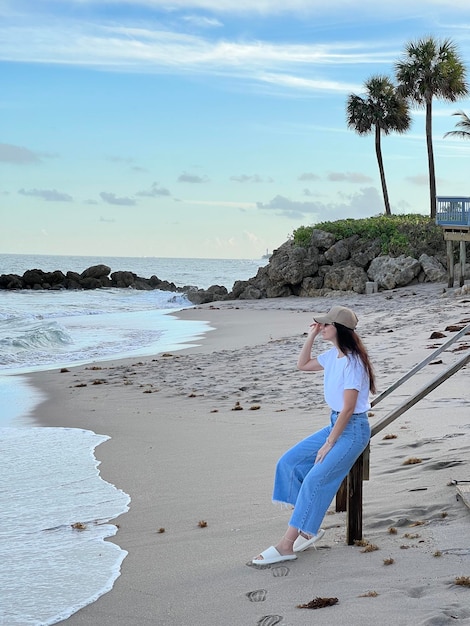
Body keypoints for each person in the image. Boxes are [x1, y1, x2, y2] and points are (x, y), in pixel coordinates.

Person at [252, 305, 376, 565]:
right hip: (336, 424)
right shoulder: (333, 356)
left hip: (352, 431)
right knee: (289, 463)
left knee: (315, 479)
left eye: (326, 325)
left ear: (338, 330)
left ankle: (287, 544)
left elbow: (350, 407)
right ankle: (307, 528)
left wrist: (330, 443)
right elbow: (302, 364)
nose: (321, 327)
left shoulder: (353, 363)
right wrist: (311, 335)